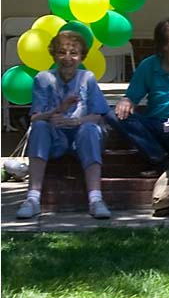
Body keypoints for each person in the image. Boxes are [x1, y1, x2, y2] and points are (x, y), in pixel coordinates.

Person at [106, 17, 169, 219]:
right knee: (112, 113)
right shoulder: (148, 66)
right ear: (165, 44)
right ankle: (163, 161)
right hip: (153, 126)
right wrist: (126, 101)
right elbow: (131, 97)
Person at [16, 31, 111, 220]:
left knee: (90, 128)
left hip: (82, 137)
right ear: (54, 54)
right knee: (40, 127)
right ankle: (33, 199)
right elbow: (35, 118)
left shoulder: (87, 78)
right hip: (54, 138)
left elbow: (98, 115)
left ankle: (96, 199)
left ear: (81, 56)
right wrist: (57, 110)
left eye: (73, 53)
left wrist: (74, 121)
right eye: (62, 52)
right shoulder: (43, 78)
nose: (67, 58)